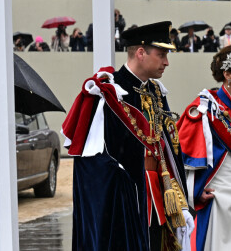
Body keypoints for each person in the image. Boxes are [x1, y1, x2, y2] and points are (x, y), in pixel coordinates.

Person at [62, 21, 194, 251]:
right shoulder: (109, 92)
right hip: (126, 202)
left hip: (159, 198)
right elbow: (90, 163)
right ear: (141, 53)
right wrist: (122, 185)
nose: (166, 62)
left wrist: (181, 202)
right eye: (161, 54)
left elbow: (168, 150)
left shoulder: (155, 91)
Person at [177, 46, 231, 251]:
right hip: (220, 200)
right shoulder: (205, 108)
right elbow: (183, 155)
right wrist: (195, 191)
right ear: (227, 74)